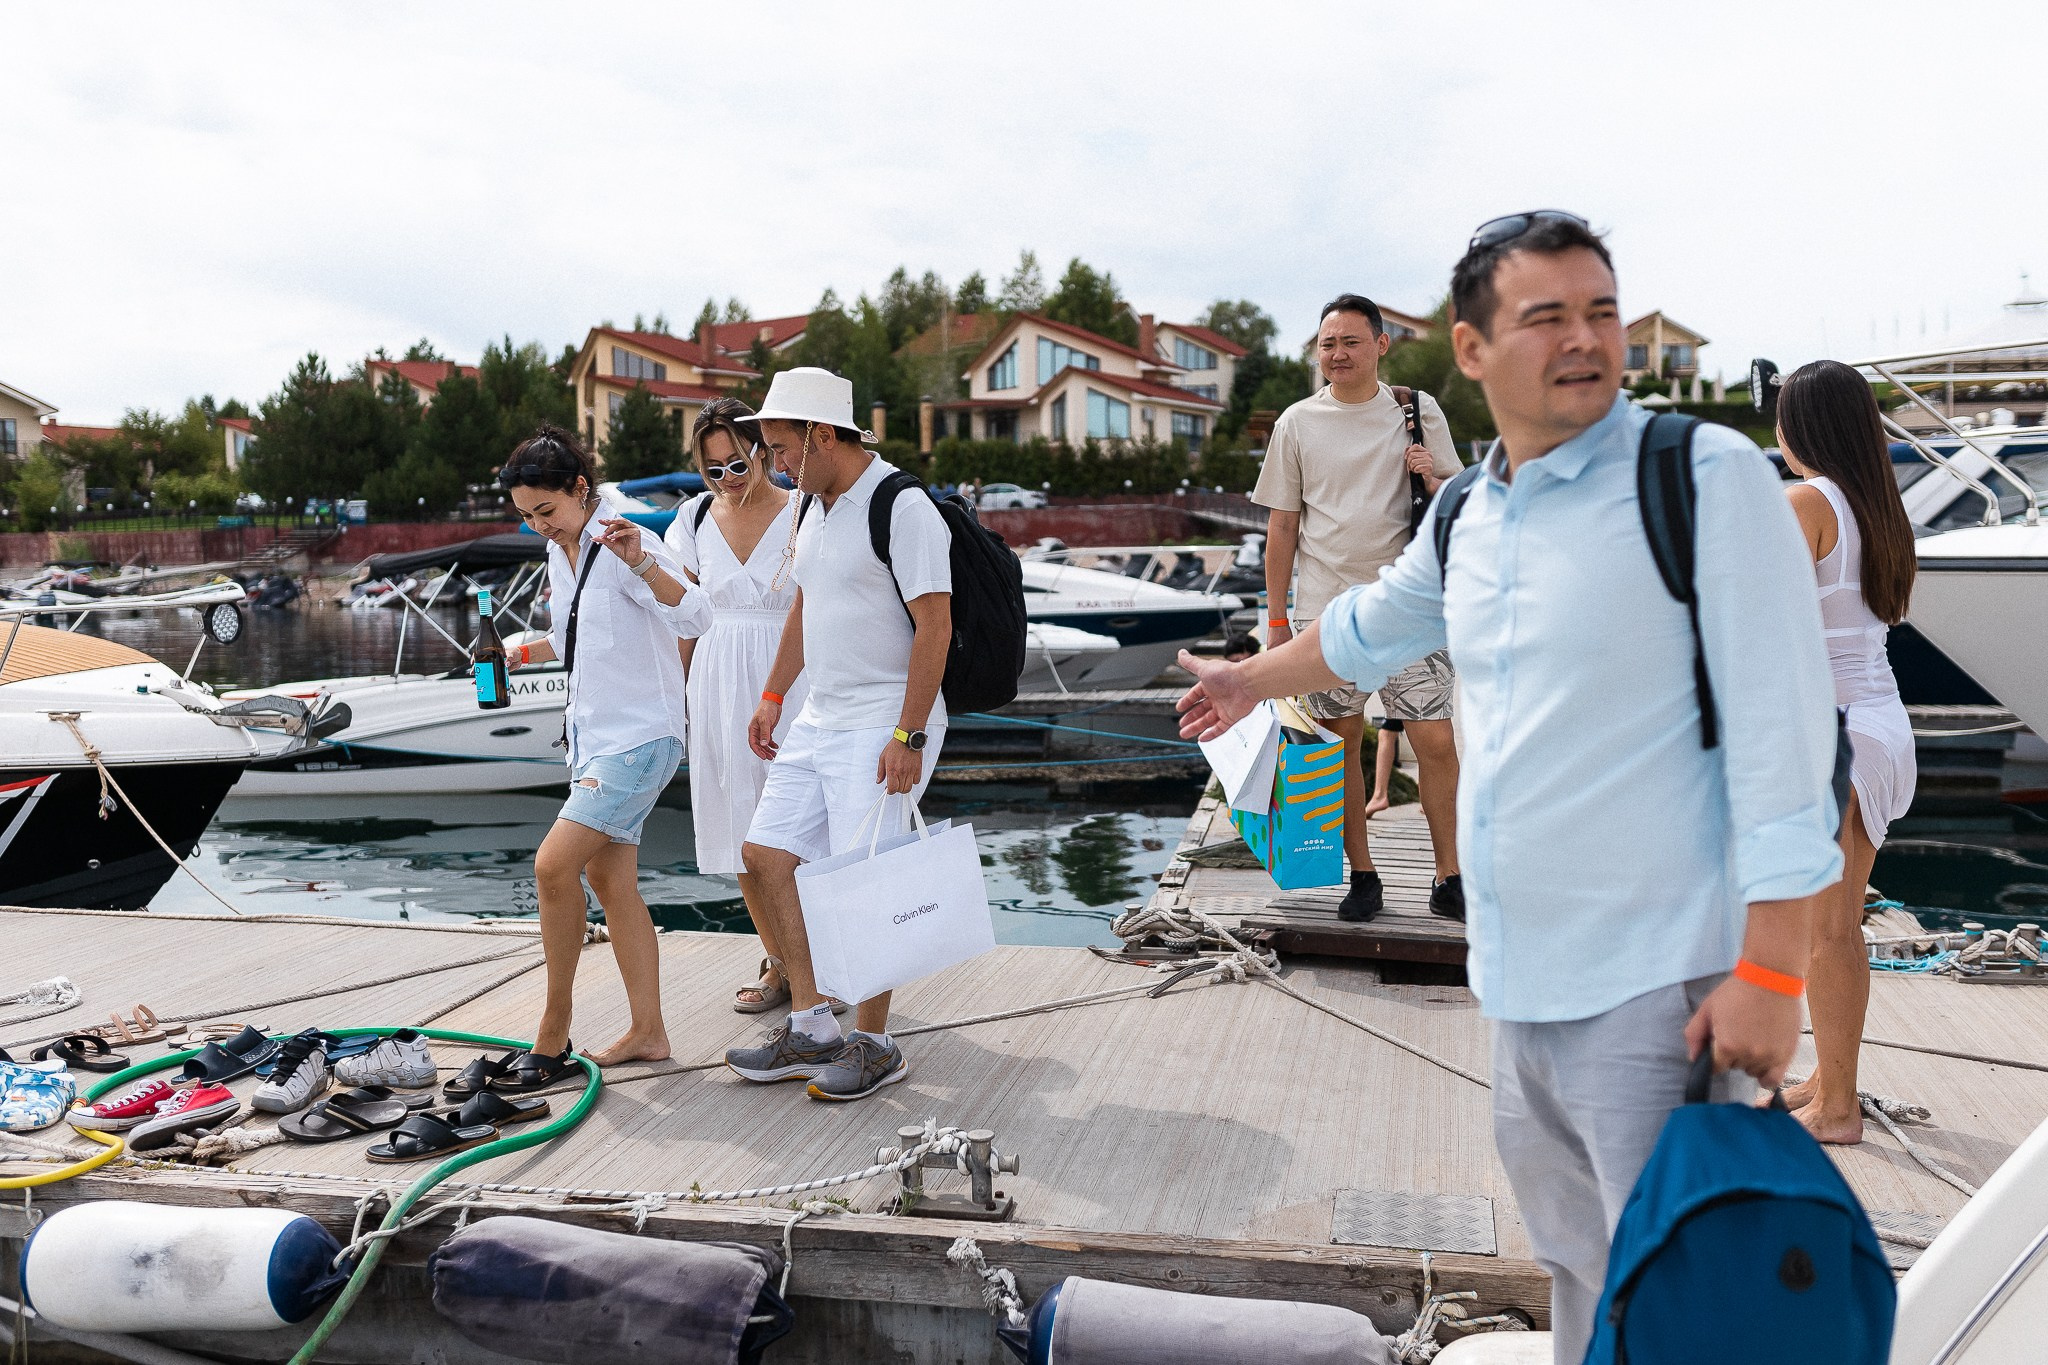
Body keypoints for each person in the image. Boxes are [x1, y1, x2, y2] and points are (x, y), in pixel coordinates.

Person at [1176, 213, 1842, 1364]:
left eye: (1599, 313)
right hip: (1519, 983)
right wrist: (1245, 676)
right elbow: (1363, 630)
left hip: (1658, 980)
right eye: (1547, 318)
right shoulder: (1466, 512)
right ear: (1471, 352)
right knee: (1578, 1270)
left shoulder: (1699, 478)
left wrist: (1773, 968)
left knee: (1681, 1290)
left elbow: (1786, 737)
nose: (1584, 339)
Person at [723, 367, 952, 1102]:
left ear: (822, 435)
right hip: (822, 711)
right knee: (765, 856)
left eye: (781, 446)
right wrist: (772, 693)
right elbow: (805, 605)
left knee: (864, 879)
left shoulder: (902, 504)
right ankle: (813, 1023)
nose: (773, 462)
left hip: (887, 714)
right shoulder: (810, 508)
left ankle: (877, 1043)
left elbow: (935, 624)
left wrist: (909, 735)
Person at [497, 425, 710, 1081]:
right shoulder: (561, 552)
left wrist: (642, 560)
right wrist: (524, 649)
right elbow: (586, 639)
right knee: (609, 880)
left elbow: (697, 614)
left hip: (640, 737)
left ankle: (553, 1031)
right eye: (527, 516)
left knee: (552, 866)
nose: (538, 526)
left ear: (580, 489)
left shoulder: (621, 539)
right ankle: (649, 1031)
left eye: (546, 511)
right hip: (597, 738)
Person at [1255, 294, 1466, 923]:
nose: (1337, 354)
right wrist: (1275, 621)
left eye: (1350, 341)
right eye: (1327, 344)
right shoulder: (1296, 421)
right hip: (1325, 611)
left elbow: (1460, 498)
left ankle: (1448, 874)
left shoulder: (1417, 411)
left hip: (1411, 607)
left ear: (1380, 345)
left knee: (1434, 739)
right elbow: (1282, 527)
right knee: (1340, 744)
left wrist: (1432, 475)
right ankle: (1363, 875)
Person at [1773, 360, 1919, 1145]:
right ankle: (1829, 1078)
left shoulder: (1805, 501)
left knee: (1828, 927)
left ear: (1800, 428)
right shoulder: (1877, 506)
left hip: (1833, 731)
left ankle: (1839, 1110)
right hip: (1878, 722)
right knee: (1830, 920)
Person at [663, 397, 837, 1017]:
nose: (728, 480)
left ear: (763, 451)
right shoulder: (690, 519)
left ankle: (822, 966)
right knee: (739, 832)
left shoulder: (803, 512)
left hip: (788, 674)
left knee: (798, 834)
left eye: (737, 464)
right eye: (714, 470)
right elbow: (683, 614)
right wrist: (677, 694)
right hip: (715, 676)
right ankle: (781, 964)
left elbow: (819, 602)